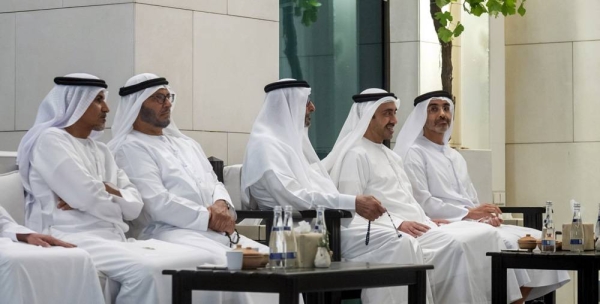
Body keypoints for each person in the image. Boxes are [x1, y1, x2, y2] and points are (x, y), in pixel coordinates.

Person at [322, 88, 535, 304]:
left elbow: (407, 200)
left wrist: (427, 219)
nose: (395, 120)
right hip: (389, 234)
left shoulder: (390, 156)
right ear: (368, 117)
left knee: (486, 234)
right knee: (458, 244)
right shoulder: (355, 154)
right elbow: (352, 212)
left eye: (394, 112)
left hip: (421, 227)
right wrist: (398, 224)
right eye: (387, 113)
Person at [16, 73, 212, 304]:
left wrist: (102, 191)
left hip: (113, 236)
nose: (107, 108)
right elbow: (90, 198)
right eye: (98, 100)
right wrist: (111, 198)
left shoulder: (101, 150)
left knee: (201, 261)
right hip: (70, 235)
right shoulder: (50, 140)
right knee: (147, 271)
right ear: (74, 103)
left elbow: (134, 207)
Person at [241, 79, 425, 304]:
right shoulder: (265, 145)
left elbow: (317, 187)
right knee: (399, 243)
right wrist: (352, 202)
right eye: (306, 101)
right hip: (297, 234)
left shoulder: (290, 144)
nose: (312, 107)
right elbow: (293, 197)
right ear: (287, 105)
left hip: (326, 228)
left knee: (407, 243)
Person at [109, 73, 278, 303]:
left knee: (275, 263)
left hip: (213, 231)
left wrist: (222, 205)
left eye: (169, 97)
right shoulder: (129, 148)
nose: (168, 104)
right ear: (137, 105)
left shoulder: (187, 144)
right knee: (226, 265)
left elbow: (215, 183)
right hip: (165, 233)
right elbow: (157, 203)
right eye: (159, 98)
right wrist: (208, 217)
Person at [394, 90, 570, 301]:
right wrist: (470, 214)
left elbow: (471, 199)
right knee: (503, 243)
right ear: (421, 117)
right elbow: (424, 203)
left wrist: (487, 216)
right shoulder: (414, 153)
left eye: (446, 108)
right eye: (434, 109)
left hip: (469, 222)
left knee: (540, 239)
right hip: (445, 224)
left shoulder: (455, 156)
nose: (442, 114)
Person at [0, 205, 104, 304]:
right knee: (13, 262)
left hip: (6, 241)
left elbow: (4, 222)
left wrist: (27, 235)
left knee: (79, 256)